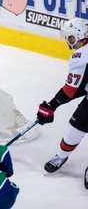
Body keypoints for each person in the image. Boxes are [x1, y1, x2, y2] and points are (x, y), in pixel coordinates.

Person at [36, 18, 88, 186]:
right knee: (75, 127)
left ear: (79, 35)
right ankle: (61, 156)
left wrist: (51, 105)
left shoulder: (81, 57)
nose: (69, 42)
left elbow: (71, 90)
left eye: (70, 38)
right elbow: (80, 87)